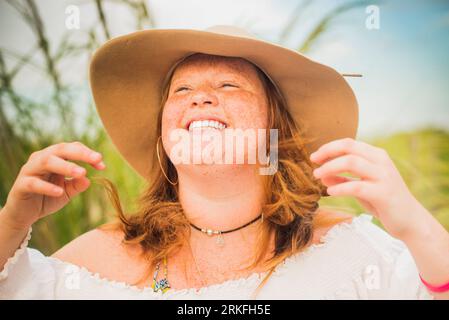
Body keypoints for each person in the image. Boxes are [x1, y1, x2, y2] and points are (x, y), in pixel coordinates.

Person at [0, 26, 448, 300]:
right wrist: (12, 221)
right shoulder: (100, 257)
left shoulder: (349, 253)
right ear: (164, 137)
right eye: (181, 91)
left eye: (230, 86)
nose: (200, 97)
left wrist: (412, 222)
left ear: (276, 128)